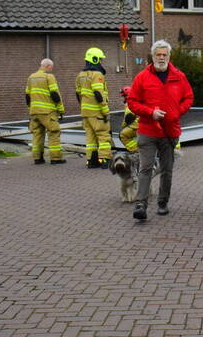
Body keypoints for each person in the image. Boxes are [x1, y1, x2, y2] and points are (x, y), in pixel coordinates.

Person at [126, 40, 194, 220]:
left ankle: (163, 202)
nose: (161, 57)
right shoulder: (142, 77)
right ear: (153, 56)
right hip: (148, 130)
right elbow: (132, 101)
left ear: (169, 56)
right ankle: (141, 204)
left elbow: (188, 97)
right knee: (146, 167)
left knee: (167, 170)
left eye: (164, 54)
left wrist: (176, 112)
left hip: (169, 131)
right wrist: (150, 113)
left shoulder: (179, 76)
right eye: (158, 54)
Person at [75, 47, 112, 169]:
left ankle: (91, 161)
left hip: (85, 112)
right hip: (97, 112)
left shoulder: (80, 75)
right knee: (103, 136)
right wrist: (105, 110)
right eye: (100, 60)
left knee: (90, 137)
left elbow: (78, 93)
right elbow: (98, 93)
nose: (101, 62)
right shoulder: (97, 75)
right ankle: (105, 160)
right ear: (95, 59)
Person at [26, 58, 66, 165]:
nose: (51, 69)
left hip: (34, 112)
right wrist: (60, 109)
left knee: (37, 135)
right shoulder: (49, 77)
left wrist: (30, 109)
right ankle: (55, 158)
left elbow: (27, 96)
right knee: (54, 133)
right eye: (51, 67)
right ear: (48, 66)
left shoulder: (31, 77)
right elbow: (55, 94)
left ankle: (38, 158)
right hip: (48, 112)